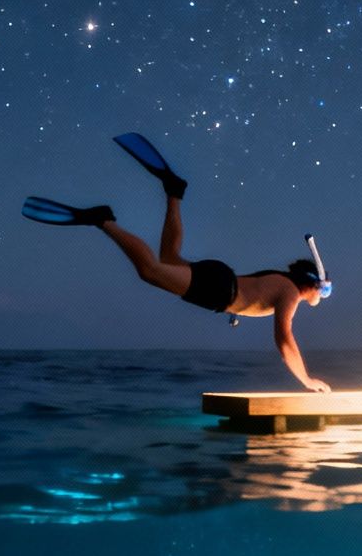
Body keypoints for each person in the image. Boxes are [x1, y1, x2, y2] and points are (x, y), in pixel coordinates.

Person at [23, 134, 333, 391]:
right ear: (314, 284)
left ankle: (174, 192)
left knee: (168, 259)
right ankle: (104, 220)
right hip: (218, 289)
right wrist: (306, 380)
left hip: (219, 279)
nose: (323, 296)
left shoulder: (282, 282)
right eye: (325, 290)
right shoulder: (290, 292)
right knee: (150, 271)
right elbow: (284, 339)